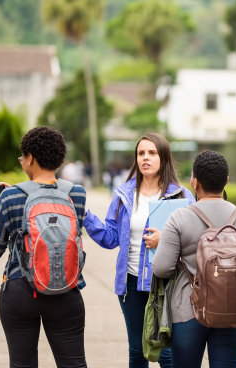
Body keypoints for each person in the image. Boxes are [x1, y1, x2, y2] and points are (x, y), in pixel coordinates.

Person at [0, 126, 88, 367]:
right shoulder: (77, 193)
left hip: (20, 291)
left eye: (22, 156)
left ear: (30, 158)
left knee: (22, 364)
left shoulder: (10, 196)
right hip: (66, 287)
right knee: (74, 363)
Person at [83, 133, 194, 368]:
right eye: (141, 153)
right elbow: (111, 238)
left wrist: (167, 240)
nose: (145, 158)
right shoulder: (124, 195)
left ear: (163, 157)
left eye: (152, 153)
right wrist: (86, 216)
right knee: (137, 350)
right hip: (131, 284)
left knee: (166, 352)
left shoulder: (182, 196)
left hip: (167, 283)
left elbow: (196, 240)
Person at [151, 150, 236, 368]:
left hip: (188, 310)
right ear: (226, 181)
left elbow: (161, 269)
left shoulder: (179, 218)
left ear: (194, 183)